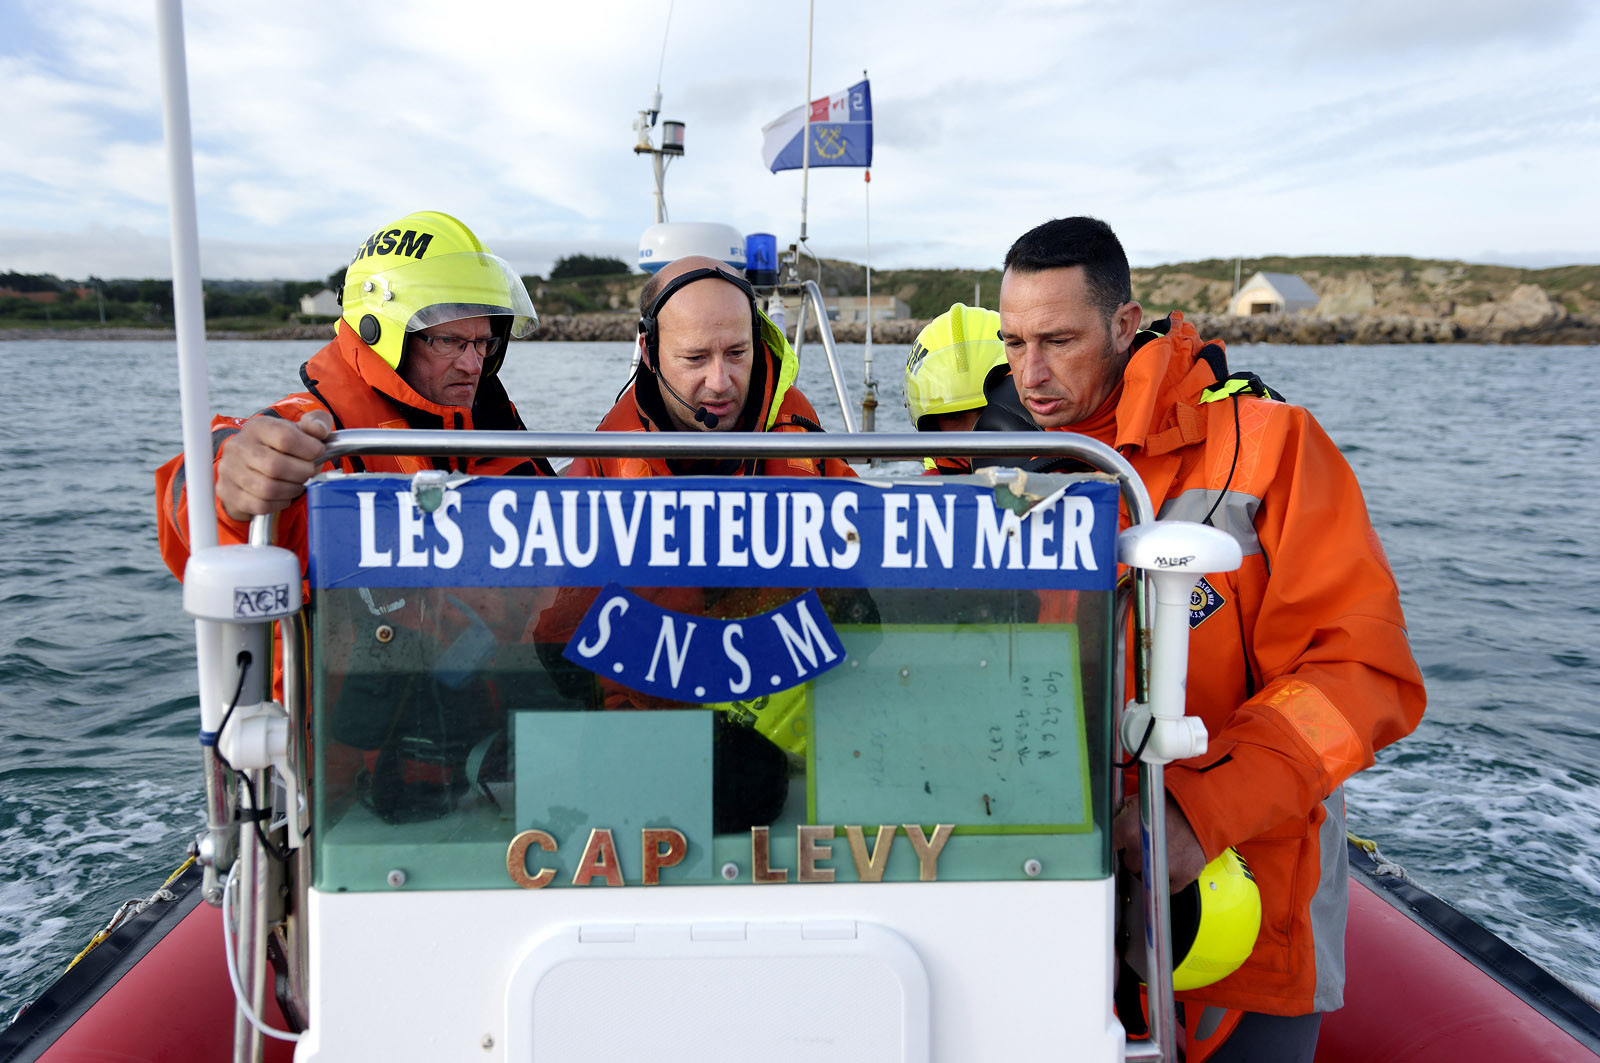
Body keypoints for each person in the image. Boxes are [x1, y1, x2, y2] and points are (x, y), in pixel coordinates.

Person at [994, 216, 1426, 1061]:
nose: (1030, 373)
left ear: (1125, 325)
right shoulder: (1024, 466)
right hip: (1063, 903)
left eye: (1057, 340)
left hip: (1243, 918)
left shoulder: (1273, 449)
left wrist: (1196, 809)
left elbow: (1362, 669)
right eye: (1012, 342)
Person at [156, 210, 551, 578]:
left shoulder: (491, 418)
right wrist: (234, 488)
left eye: (485, 343)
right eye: (450, 341)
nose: (473, 365)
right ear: (379, 334)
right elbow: (192, 506)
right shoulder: (313, 439)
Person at [565, 254, 852, 478]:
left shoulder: (796, 421)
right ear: (649, 353)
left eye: (737, 353)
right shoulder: (606, 452)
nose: (720, 383)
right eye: (695, 358)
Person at [904, 301, 1009, 473]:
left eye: (989, 410)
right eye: (953, 417)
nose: (972, 433)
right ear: (931, 426)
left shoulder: (1062, 462)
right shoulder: (923, 495)